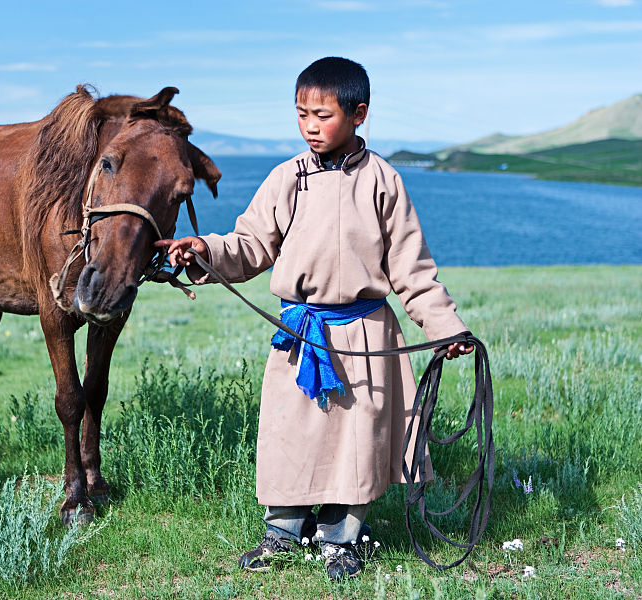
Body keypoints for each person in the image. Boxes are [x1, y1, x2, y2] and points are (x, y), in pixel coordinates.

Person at [155, 57, 473, 580]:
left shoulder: (384, 182)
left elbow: (412, 270)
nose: (309, 126)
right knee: (293, 436)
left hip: (367, 336)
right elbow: (251, 244)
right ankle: (282, 531)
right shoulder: (286, 179)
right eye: (301, 113)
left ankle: (343, 538)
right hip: (301, 334)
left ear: (358, 114)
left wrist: (445, 329)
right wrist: (205, 250)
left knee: (357, 439)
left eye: (321, 115)